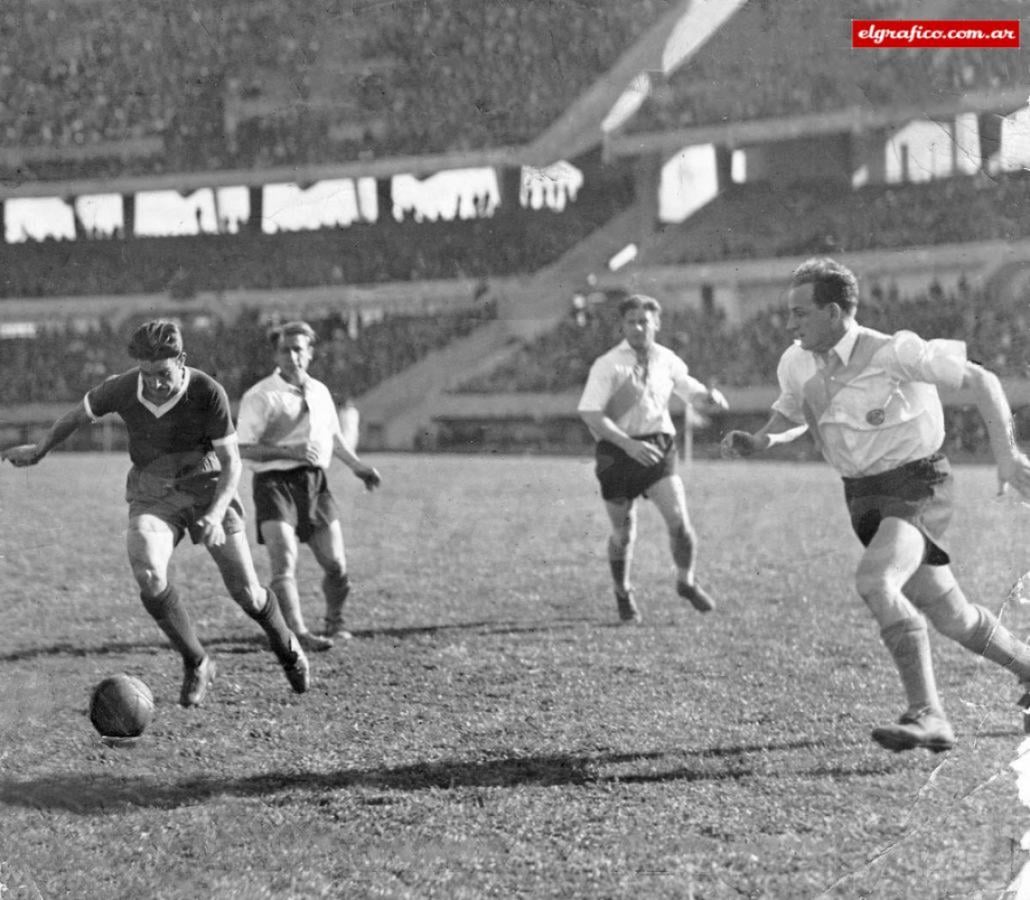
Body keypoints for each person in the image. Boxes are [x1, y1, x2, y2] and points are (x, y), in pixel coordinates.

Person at [721, 257, 1030, 753]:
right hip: (862, 496)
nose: (790, 323)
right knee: (953, 616)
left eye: (800, 313)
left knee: (875, 580)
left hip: (917, 484)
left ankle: (929, 715)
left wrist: (1008, 455)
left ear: (836, 312)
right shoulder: (796, 361)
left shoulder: (895, 350)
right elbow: (792, 412)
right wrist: (761, 442)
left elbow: (983, 380)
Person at [1, 320, 309, 707]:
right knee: (147, 568)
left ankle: (285, 643)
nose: (155, 384)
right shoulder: (126, 386)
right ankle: (197, 660)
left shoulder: (205, 391)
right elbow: (77, 416)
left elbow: (232, 463)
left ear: (181, 360)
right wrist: (40, 450)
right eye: (147, 375)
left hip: (207, 485)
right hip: (153, 489)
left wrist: (214, 515)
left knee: (247, 592)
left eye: (163, 374)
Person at [578, 293, 728, 624]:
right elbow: (590, 413)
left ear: (656, 324)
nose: (637, 327)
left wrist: (708, 397)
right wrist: (627, 444)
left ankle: (686, 581)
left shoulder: (666, 359)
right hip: (616, 451)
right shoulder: (608, 365)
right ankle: (622, 591)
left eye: (643, 321)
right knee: (623, 533)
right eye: (631, 322)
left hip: (658, 445)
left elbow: (689, 389)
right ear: (622, 326)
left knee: (680, 522)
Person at [237, 321, 382, 649]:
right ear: (276, 353)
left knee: (335, 564)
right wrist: (288, 451)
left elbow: (332, 436)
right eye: (285, 350)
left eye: (298, 349)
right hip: (273, 482)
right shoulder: (260, 396)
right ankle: (297, 633)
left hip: (313, 483)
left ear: (310, 353)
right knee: (283, 558)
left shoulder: (319, 391)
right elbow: (243, 447)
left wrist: (358, 467)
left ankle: (335, 620)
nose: (292, 355)